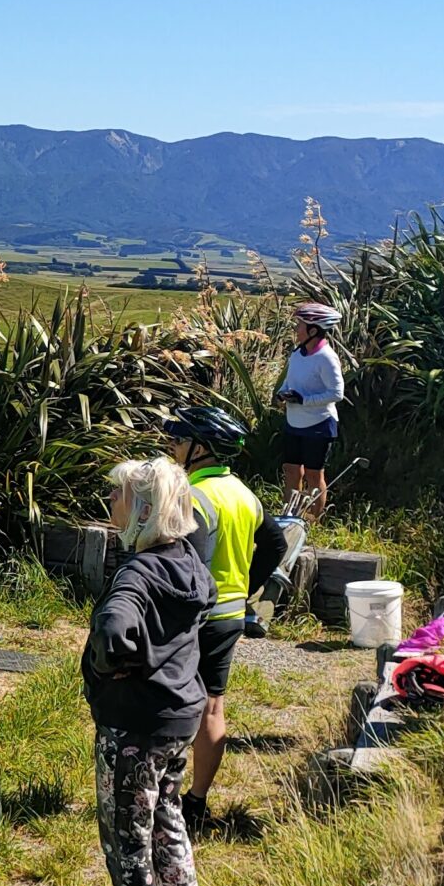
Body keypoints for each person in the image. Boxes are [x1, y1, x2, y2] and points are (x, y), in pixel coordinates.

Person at [75, 457, 211, 886]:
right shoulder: (188, 562)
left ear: (145, 511)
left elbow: (115, 626)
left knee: (127, 832)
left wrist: (110, 665)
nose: (111, 502)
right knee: (167, 819)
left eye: (120, 496)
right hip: (180, 717)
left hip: (134, 723)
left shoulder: (136, 572)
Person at [166, 406, 285, 836]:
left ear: (200, 449)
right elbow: (275, 544)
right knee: (213, 706)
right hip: (231, 614)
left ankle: (159, 795)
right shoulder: (244, 494)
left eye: (180, 441)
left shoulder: (195, 496)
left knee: (171, 704)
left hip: (194, 617)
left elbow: (189, 563)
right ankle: (196, 801)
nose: (173, 447)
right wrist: (246, 586)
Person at [277, 302, 346, 518]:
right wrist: (282, 393)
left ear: (313, 331)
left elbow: (336, 393)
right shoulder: (298, 353)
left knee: (314, 475)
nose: (296, 329)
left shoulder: (326, 357)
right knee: (291, 470)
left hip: (319, 423)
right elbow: (289, 381)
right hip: (294, 421)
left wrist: (304, 400)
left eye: (300, 325)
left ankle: (313, 520)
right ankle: (290, 517)